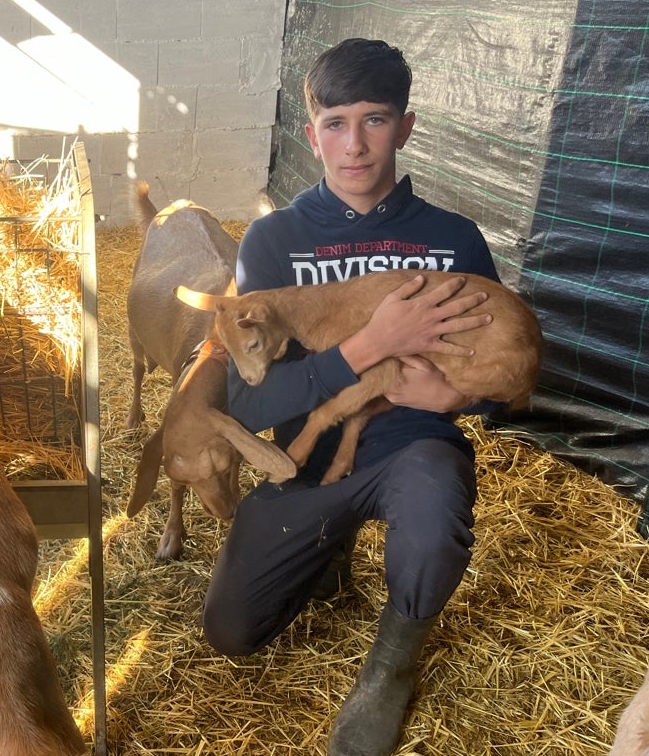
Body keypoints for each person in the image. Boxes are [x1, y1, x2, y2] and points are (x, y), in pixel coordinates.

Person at [202, 38, 501, 756]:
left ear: (406, 126)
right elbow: (247, 408)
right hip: (306, 460)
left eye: (375, 120)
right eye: (336, 123)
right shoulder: (273, 244)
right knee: (231, 631)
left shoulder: (454, 240)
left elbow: (501, 385)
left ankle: (390, 666)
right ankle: (327, 547)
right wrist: (365, 349)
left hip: (413, 446)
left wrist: (457, 397)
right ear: (312, 134)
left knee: (434, 509)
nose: (355, 144)